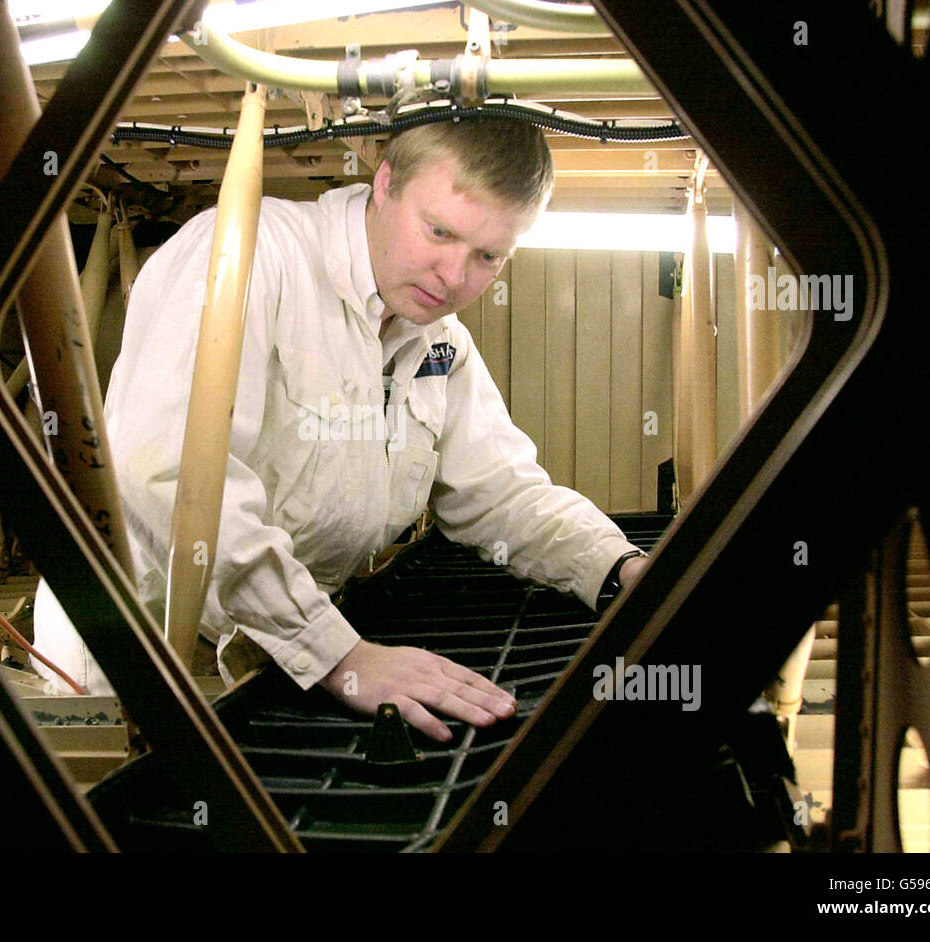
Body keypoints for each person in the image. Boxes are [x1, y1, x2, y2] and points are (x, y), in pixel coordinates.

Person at [31, 117, 648, 742]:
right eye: (439, 231)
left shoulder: (436, 344)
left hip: (283, 652)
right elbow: (172, 476)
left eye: (488, 256)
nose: (454, 276)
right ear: (384, 184)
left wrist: (619, 566)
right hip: (138, 657)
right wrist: (340, 655)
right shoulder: (245, 254)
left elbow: (505, 495)